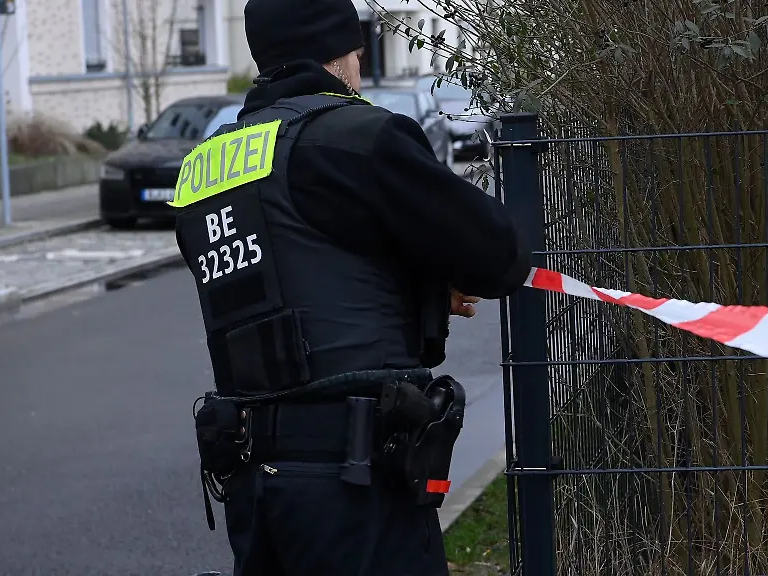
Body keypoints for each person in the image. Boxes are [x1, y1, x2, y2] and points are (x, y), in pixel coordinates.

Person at [171, 0, 530, 574]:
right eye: (359, 57)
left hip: (253, 482)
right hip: (354, 480)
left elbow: (293, 283)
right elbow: (499, 256)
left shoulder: (204, 168)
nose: (359, 74)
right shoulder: (358, 136)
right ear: (338, 55)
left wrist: (417, 289)